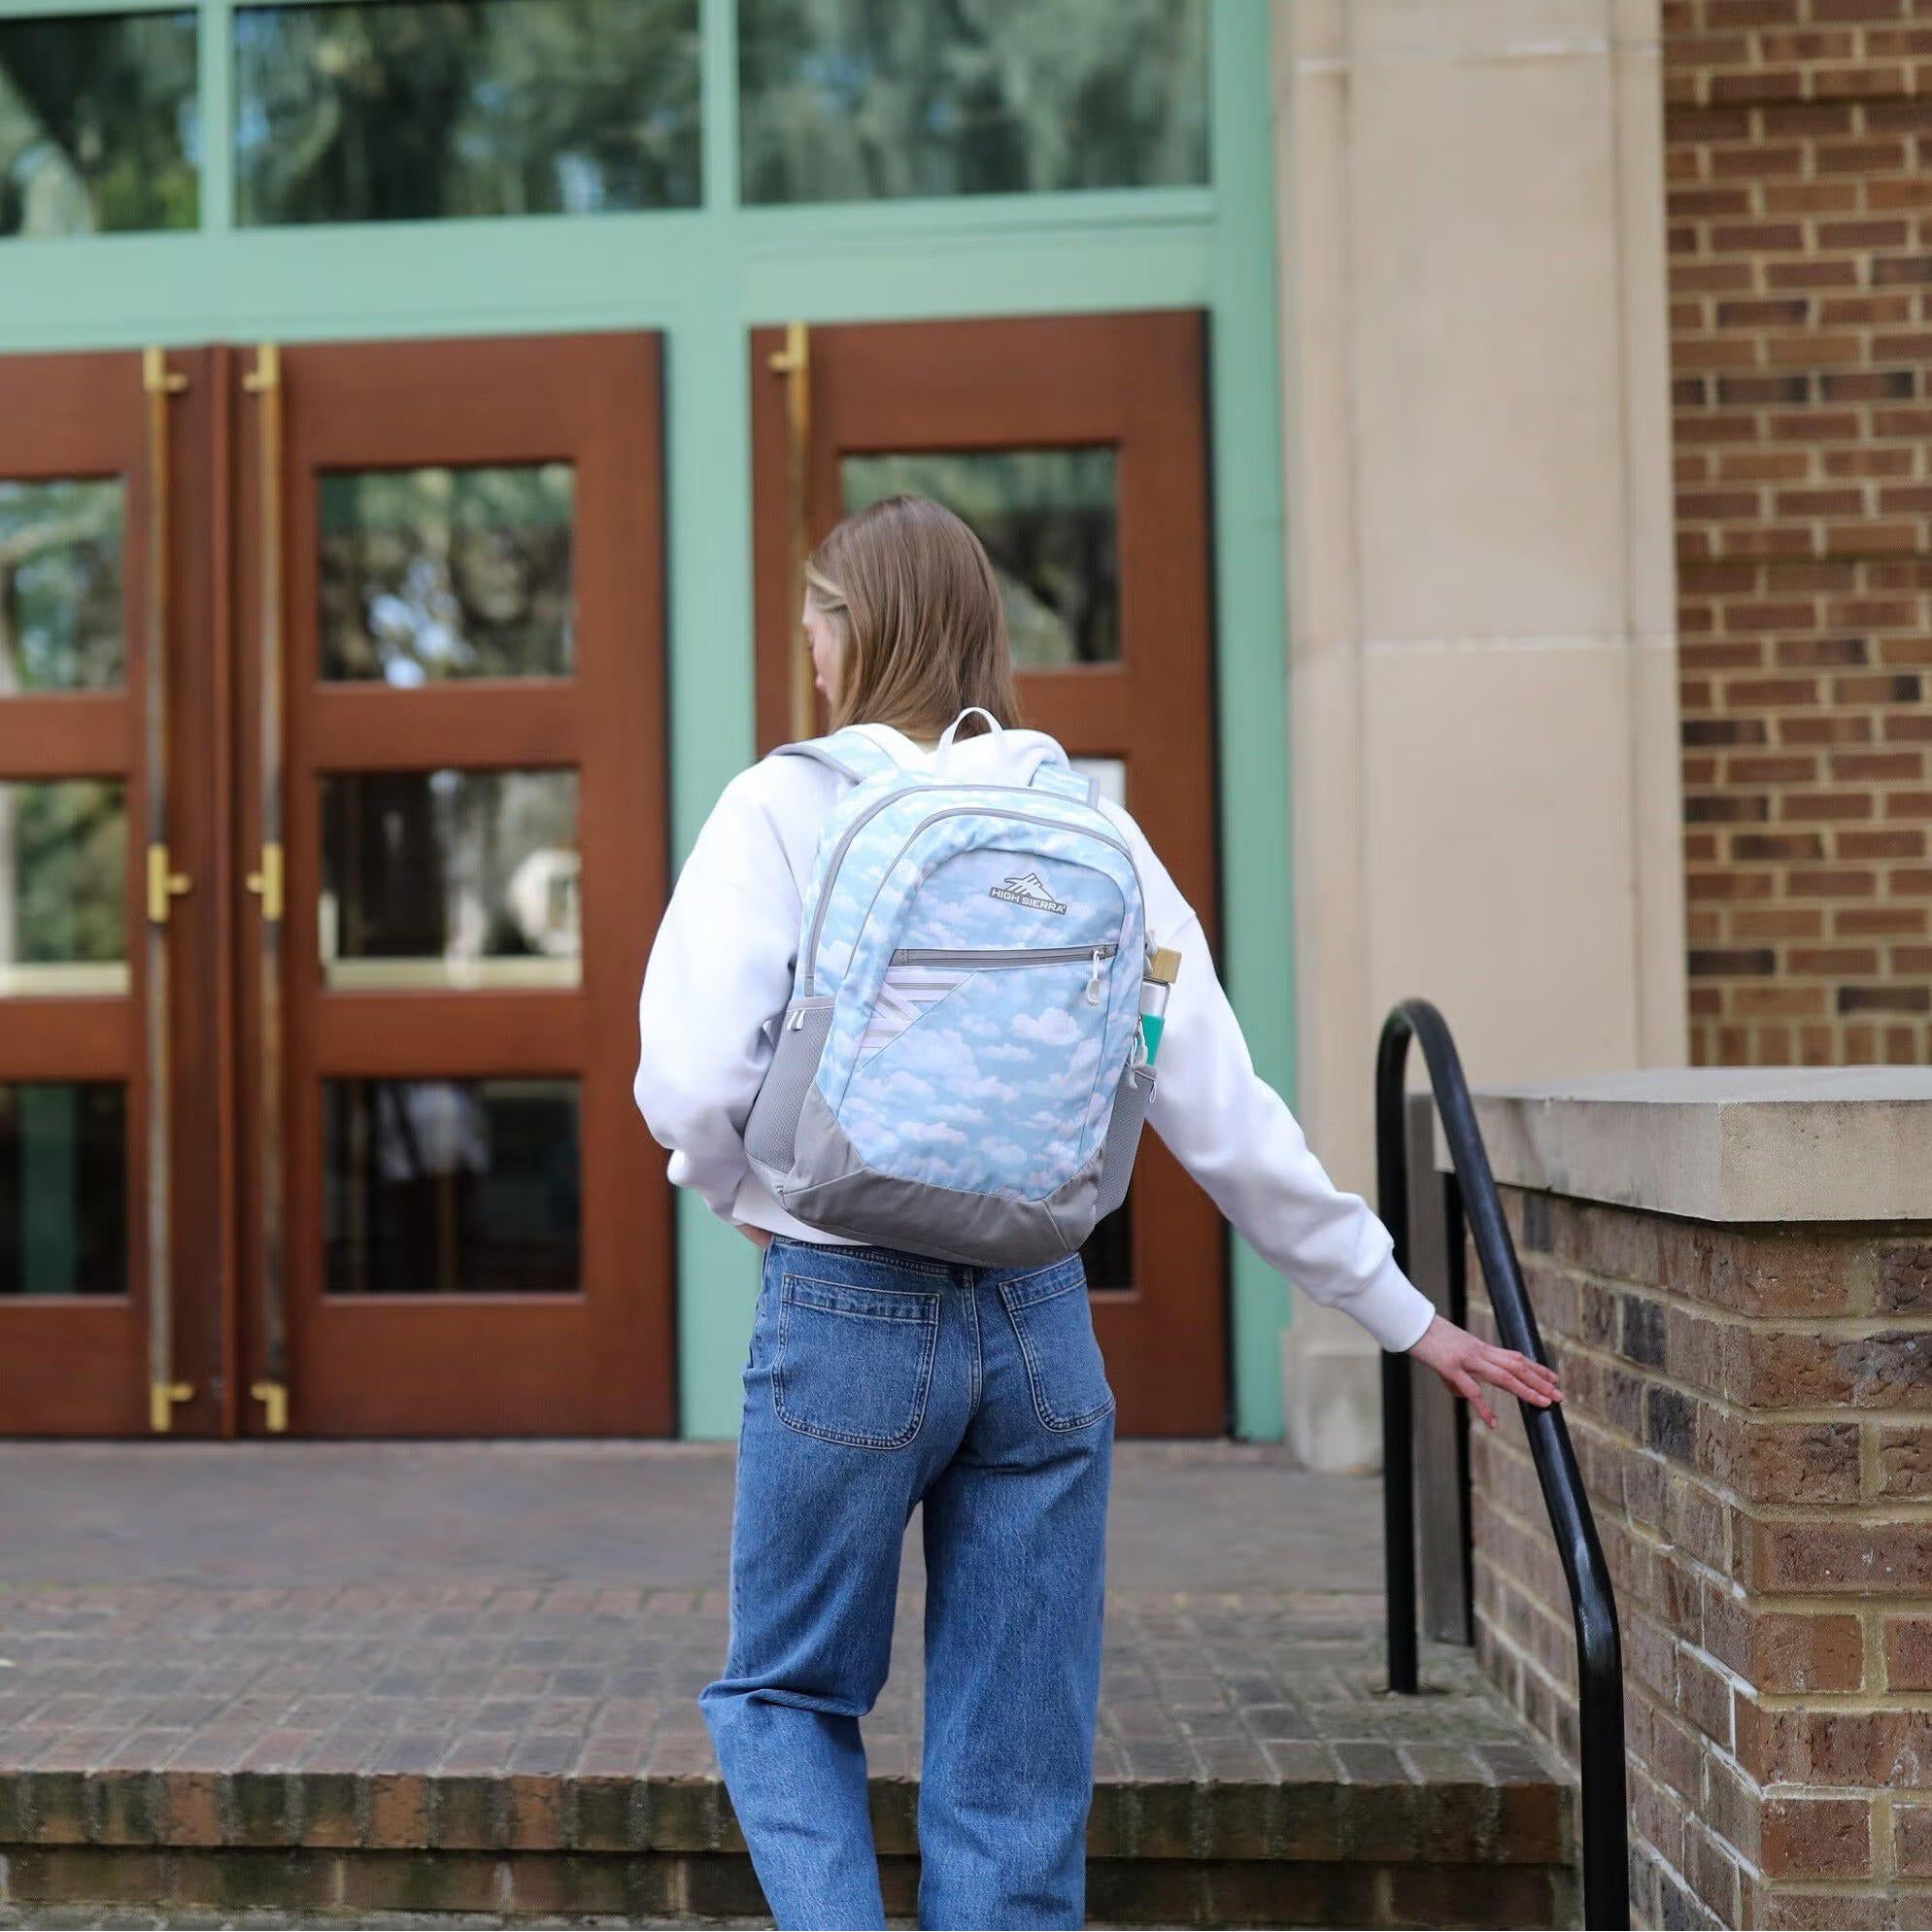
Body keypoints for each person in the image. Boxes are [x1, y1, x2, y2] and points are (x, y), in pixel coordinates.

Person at [631, 495, 1562, 1931]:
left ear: (846, 629)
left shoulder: (782, 804)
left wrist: (751, 1198)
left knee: (782, 1691)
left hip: (847, 1310)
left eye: (815, 619)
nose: (808, 650)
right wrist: (1407, 1314)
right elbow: (1222, 1109)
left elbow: (689, 1081)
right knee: (1016, 1754)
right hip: (1038, 1327)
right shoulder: (1090, 824)